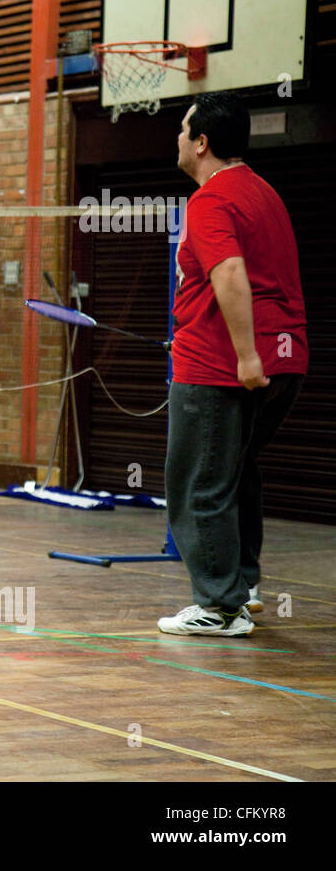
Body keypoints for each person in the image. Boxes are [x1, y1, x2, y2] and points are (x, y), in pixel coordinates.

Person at [158, 92, 308, 637]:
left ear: (201, 142)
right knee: (235, 471)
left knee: (198, 482)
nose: (176, 139)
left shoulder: (211, 200)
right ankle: (241, 587)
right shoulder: (264, 193)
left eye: (182, 130)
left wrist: (244, 355)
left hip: (224, 368)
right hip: (285, 358)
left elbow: (229, 274)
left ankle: (219, 607)